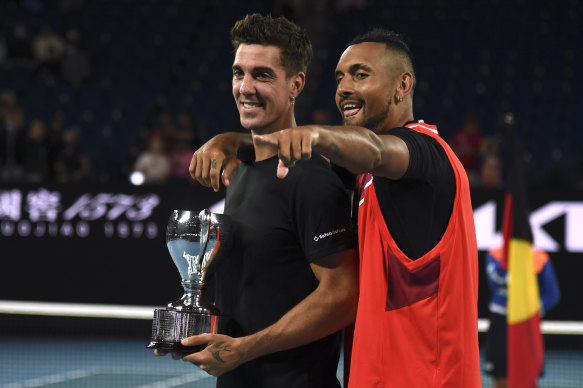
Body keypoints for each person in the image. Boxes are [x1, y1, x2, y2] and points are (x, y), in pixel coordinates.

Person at [190, 28, 482, 387]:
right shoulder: (359, 176)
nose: (344, 87)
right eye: (340, 77)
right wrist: (228, 141)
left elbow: (374, 148)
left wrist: (315, 134)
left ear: (402, 85)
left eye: (360, 74)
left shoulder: (429, 157)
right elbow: (295, 151)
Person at [162, 14, 359, 388]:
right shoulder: (240, 172)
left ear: (295, 84)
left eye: (262, 75)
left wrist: (244, 349)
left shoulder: (312, 180)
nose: (245, 87)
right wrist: (192, 330)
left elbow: (344, 295)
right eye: (239, 73)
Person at [483, 246, 560, 388]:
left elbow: (552, 294)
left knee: (528, 377)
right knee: (500, 377)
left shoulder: (540, 258)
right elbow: (495, 282)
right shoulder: (495, 254)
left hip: (527, 324)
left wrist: (528, 309)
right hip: (500, 322)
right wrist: (511, 264)